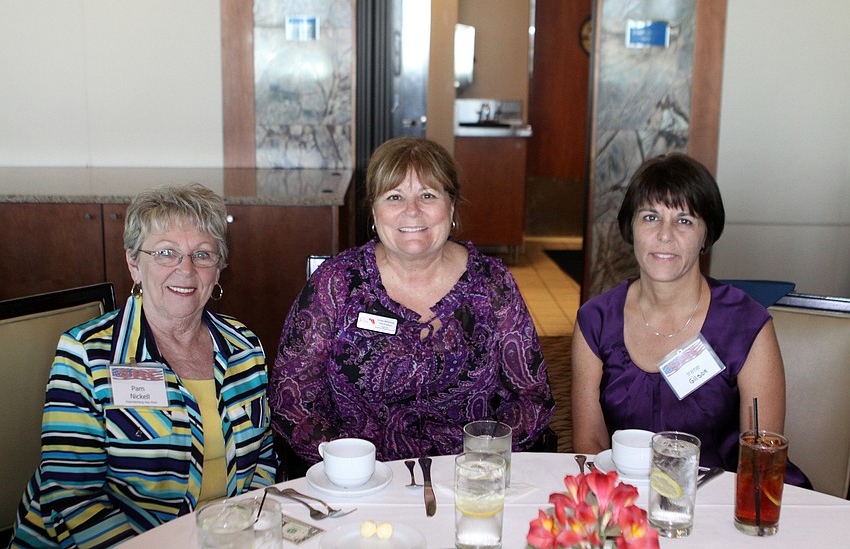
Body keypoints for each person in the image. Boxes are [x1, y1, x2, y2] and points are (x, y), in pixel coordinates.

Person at [10, 184, 277, 547]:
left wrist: (243, 533)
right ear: (134, 263)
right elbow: (72, 495)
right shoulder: (87, 354)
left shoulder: (245, 346)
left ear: (218, 271)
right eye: (166, 253)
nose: (185, 270)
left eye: (202, 255)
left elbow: (263, 458)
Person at [269, 137, 554, 463]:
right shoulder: (337, 283)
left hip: (466, 478)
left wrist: (480, 461)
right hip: (358, 485)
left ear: (452, 206)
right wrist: (350, 466)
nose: (412, 210)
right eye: (394, 197)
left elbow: (531, 398)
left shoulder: (492, 283)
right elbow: (292, 399)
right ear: (374, 211)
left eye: (428, 195)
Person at [571, 153, 810, 486]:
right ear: (631, 228)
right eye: (650, 217)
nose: (665, 235)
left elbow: (760, 460)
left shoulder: (746, 325)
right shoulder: (595, 321)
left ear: (705, 235)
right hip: (629, 500)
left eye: (684, 220)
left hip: (730, 502)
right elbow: (589, 445)